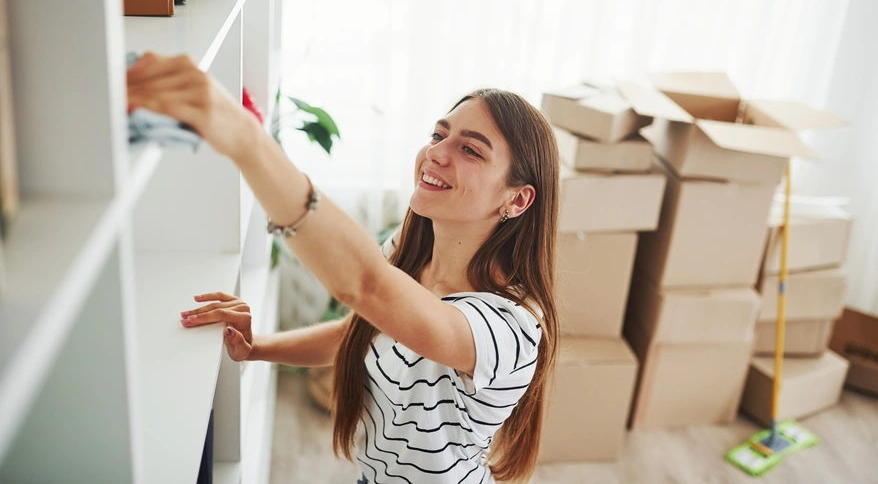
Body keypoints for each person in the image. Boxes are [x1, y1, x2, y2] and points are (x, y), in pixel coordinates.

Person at [127, 52, 560, 484]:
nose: (435, 153)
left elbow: (365, 286)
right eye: (437, 134)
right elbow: (355, 332)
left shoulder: (508, 327)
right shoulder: (412, 251)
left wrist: (246, 138)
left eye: (469, 150)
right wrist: (257, 346)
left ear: (517, 200)